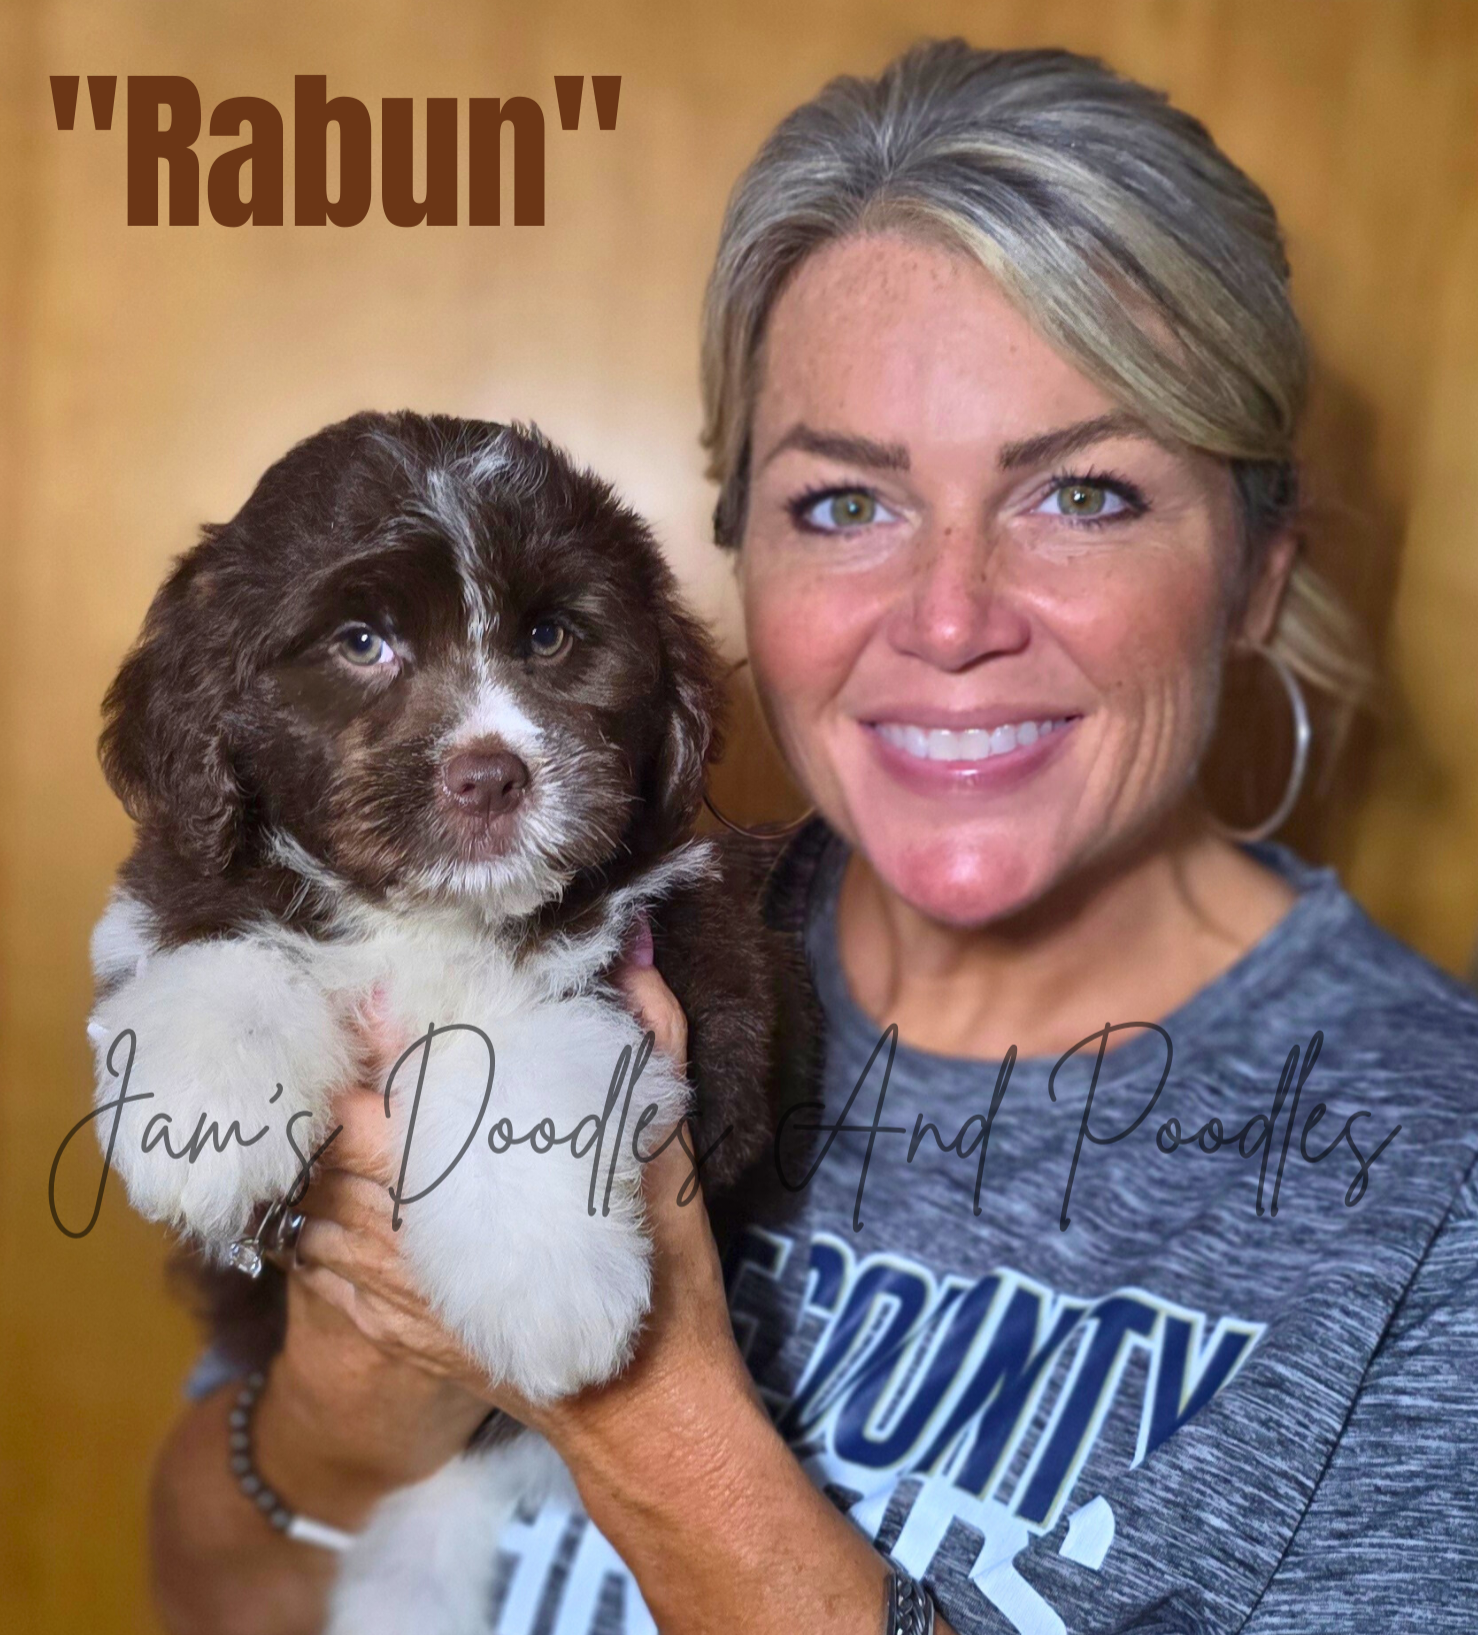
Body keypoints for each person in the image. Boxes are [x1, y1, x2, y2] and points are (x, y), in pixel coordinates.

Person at [148, 39, 1478, 1635]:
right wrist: (350, 1397)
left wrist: (646, 1408)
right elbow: (215, 1596)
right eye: (846, 503)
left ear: (1259, 568)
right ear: (730, 567)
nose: (951, 617)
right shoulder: (537, 919)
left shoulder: (1430, 1202)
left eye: (1086, 494)